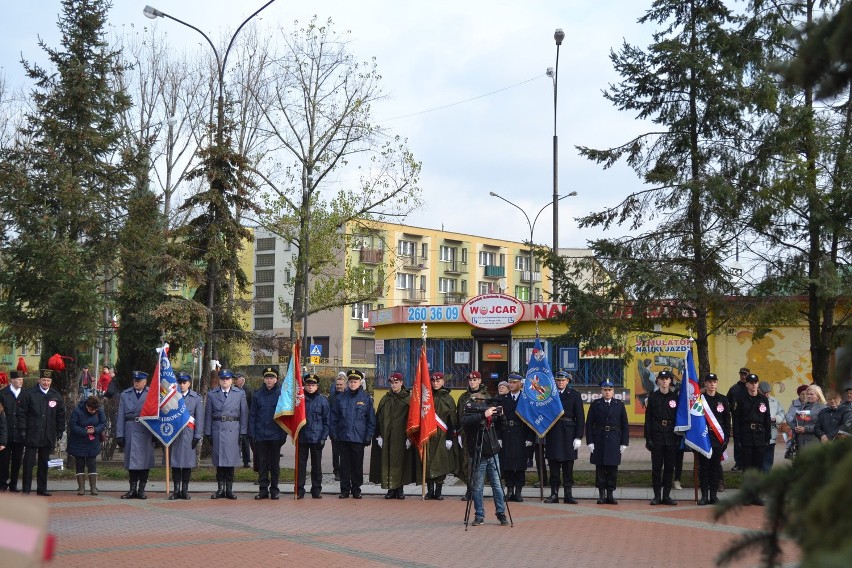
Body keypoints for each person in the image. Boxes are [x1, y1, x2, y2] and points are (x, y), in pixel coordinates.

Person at [461, 392, 508, 527]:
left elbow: (501, 427)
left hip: (493, 453)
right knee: (477, 487)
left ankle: (501, 513)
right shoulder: (469, 414)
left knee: (497, 486)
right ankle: (479, 515)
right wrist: (483, 415)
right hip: (478, 454)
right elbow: (465, 422)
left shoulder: (490, 413)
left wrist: (501, 416)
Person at [18, 369, 66, 496]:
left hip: (48, 434)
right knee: (28, 463)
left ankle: (42, 489)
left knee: (44, 463)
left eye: (48, 380)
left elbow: (60, 415)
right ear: (39, 380)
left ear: (51, 381)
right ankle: (26, 489)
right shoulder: (29, 394)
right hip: (32, 434)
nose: (46, 382)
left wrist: (60, 430)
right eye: (44, 380)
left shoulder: (56, 395)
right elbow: (22, 413)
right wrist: (22, 430)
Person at [329, 369, 375, 499]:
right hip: (343, 437)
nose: (353, 384)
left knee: (357, 466)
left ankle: (356, 489)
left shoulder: (366, 399)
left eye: (355, 381)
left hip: (358, 438)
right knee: (344, 466)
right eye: (351, 382)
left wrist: (368, 436)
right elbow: (334, 418)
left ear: (360, 382)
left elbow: (371, 420)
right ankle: (344, 490)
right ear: (347, 383)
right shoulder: (340, 398)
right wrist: (334, 434)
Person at [205, 368, 248, 500]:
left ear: (232, 380)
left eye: (227, 379)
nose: (225, 381)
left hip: (233, 429)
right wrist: (207, 432)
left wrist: (243, 432)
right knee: (219, 461)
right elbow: (208, 415)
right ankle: (220, 489)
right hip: (217, 429)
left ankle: (229, 489)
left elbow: (244, 414)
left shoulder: (240, 394)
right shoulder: (212, 394)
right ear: (219, 380)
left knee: (230, 461)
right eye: (222, 379)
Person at [370, 372, 414, 499]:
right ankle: (390, 489)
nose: (394, 385)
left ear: (401, 383)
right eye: (392, 383)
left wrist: (410, 437)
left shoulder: (408, 399)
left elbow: (412, 419)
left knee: (400, 463)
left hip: (401, 437)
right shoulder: (385, 399)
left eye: (396, 382)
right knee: (387, 462)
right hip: (387, 436)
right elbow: (379, 417)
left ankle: (399, 489)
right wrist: (378, 435)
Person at [585, 378, 629, 505]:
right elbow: (589, 424)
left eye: (610, 390)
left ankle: (610, 494)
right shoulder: (596, 404)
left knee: (612, 468)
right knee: (600, 468)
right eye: (605, 390)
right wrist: (590, 442)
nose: (607, 392)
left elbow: (624, 424)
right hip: (599, 438)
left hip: (615, 438)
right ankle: (601, 495)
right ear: (601, 391)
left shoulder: (619, 404)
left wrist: (624, 442)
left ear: (613, 391)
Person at [544, 371, 585, 504]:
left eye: (563, 380)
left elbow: (580, 418)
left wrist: (578, 436)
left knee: (568, 466)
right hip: (553, 432)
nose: (560, 382)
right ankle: (554, 494)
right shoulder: (549, 395)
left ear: (568, 381)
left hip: (568, 433)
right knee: (554, 465)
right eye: (558, 380)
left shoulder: (574, 395)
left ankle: (568, 494)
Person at [732, 373, 771, 505]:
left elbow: (767, 419)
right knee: (747, 467)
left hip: (760, 435)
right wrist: (737, 438)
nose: (753, 385)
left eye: (755, 382)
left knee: (757, 467)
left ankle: (756, 495)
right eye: (751, 382)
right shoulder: (740, 399)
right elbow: (736, 420)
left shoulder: (763, 399)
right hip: (746, 435)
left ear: (758, 384)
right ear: (747, 384)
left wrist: (768, 437)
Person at [116, 370, 155, 499]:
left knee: (145, 461)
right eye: (135, 381)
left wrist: (157, 433)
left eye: (139, 381)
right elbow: (121, 415)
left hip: (146, 430)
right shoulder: (125, 394)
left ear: (145, 382)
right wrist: (119, 434)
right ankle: (132, 490)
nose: (136, 383)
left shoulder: (152, 394)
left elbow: (158, 414)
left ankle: (141, 490)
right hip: (131, 428)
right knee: (132, 461)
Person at [249, 367, 286, 500]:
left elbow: (285, 416)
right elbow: (252, 416)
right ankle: (263, 490)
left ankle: (275, 489)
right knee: (263, 464)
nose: (269, 380)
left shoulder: (281, 395)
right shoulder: (257, 395)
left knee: (274, 465)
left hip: (276, 435)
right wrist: (252, 434)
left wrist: (283, 434)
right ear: (264, 379)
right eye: (267, 378)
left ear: (276, 379)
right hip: (261, 435)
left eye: (272, 378)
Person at [644, 369, 679, 506]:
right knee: (656, 468)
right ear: (658, 381)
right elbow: (648, 419)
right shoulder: (653, 397)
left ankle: (666, 496)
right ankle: (657, 496)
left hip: (671, 435)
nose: (664, 381)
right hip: (657, 435)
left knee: (670, 468)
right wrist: (648, 438)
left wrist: (678, 437)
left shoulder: (675, 397)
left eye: (667, 379)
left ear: (670, 381)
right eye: (662, 379)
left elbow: (679, 418)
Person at [499, 373, 535, 502]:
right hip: (507, 433)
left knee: (520, 465)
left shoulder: (526, 399)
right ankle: (509, 490)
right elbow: (498, 420)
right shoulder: (504, 398)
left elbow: (531, 419)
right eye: (510, 382)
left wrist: (530, 437)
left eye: (514, 382)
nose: (511, 385)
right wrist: (499, 437)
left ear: (520, 384)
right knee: (507, 464)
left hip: (521, 433)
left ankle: (518, 491)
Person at [455, 370, 489, 501]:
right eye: (470, 380)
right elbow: (459, 416)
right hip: (465, 434)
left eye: (475, 380)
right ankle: (469, 489)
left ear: (480, 381)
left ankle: (477, 490)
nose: (472, 382)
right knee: (466, 462)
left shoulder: (485, 396)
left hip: (480, 434)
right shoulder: (463, 397)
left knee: (479, 462)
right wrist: (458, 432)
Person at [697, 373, 730, 505]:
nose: (712, 384)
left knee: (715, 468)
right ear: (705, 383)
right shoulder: (700, 399)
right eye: (709, 382)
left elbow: (727, 421)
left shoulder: (723, 400)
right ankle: (704, 495)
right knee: (704, 468)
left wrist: (726, 439)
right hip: (703, 438)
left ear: (717, 383)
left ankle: (713, 495)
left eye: (714, 381)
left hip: (717, 439)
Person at [169, 371, 203, 500]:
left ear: (189, 383)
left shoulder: (195, 398)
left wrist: (197, 436)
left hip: (189, 433)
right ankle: (176, 490)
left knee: (187, 463)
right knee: (176, 462)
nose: (182, 385)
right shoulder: (172, 396)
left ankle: (184, 490)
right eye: (180, 382)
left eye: (184, 382)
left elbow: (199, 418)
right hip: (175, 433)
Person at [424, 371, 457, 500]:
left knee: (440, 463)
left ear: (443, 382)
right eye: (433, 381)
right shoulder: (426, 396)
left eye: (438, 381)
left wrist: (449, 438)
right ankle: (429, 490)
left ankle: (438, 491)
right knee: (427, 462)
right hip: (428, 435)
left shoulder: (448, 398)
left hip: (442, 435)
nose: (436, 383)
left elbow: (451, 420)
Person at [298, 373, 330, 499]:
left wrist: (323, 437)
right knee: (301, 466)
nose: (310, 387)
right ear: (304, 386)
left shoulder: (323, 401)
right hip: (302, 437)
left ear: (317, 386)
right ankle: (299, 489)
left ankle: (316, 489)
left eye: (313, 385)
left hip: (317, 437)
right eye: (308, 385)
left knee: (316, 466)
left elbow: (327, 421)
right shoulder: (299, 400)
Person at [67, 396, 106, 495]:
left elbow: (102, 424)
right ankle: (81, 488)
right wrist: (85, 431)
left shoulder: (99, 410)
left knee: (92, 464)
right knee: (79, 463)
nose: (93, 411)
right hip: (78, 441)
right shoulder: (77, 410)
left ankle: (93, 487)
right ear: (86, 406)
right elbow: (73, 425)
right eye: (91, 409)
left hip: (93, 441)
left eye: (95, 410)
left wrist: (95, 430)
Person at [0, 371, 25, 492]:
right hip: (7, 434)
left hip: (20, 434)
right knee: (4, 461)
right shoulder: (3, 394)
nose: (21, 381)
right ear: (12, 380)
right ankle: (2, 483)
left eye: (22, 379)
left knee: (17, 461)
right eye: (18, 379)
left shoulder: (25, 394)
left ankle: (14, 484)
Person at [758, 381, 786, 473]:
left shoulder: (774, 401)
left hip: (771, 434)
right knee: (757, 460)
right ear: (758, 390)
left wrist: (775, 419)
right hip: (757, 435)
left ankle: (766, 480)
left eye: (768, 393)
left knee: (768, 460)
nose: (766, 395)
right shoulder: (754, 400)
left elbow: (782, 414)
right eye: (764, 393)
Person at [726, 367, 750, 471]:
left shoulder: (752, 387)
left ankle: (748, 462)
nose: (743, 376)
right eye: (741, 374)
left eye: (745, 374)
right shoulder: (734, 388)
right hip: (737, 419)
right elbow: (727, 402)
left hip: (749, 419)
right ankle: (738, 462)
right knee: (737, 441)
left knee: (748, 441)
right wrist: (732, 410)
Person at [793, 384, 826, 453]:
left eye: (811, 394)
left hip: (814, 441)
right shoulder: (802, 407)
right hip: (800, 441)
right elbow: (795, 421)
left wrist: (806, 429)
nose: (808, 396)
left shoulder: (823, 408)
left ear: (818, 395)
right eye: (807, 394)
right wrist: (795, 427)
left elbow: (824, 426)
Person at [329, 372, 347, 481]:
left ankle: (345, 471)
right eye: (337, 385)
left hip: (345, 429)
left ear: (345, 385)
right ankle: (337, 472)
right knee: (335, 453)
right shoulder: (331, 398)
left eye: (341, 384)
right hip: (335, 429)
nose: (339, 386)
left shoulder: (348, 396)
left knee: (345, 453)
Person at [235, 373, 253, 468]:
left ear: (242, 380)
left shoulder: (248, 391)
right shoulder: (233, 389)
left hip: (245, 419)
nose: (235, 381)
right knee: (235, 440)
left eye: (237, 379)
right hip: (235, 418)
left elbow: (251, 405)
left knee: (245, 440)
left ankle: (246, 461)